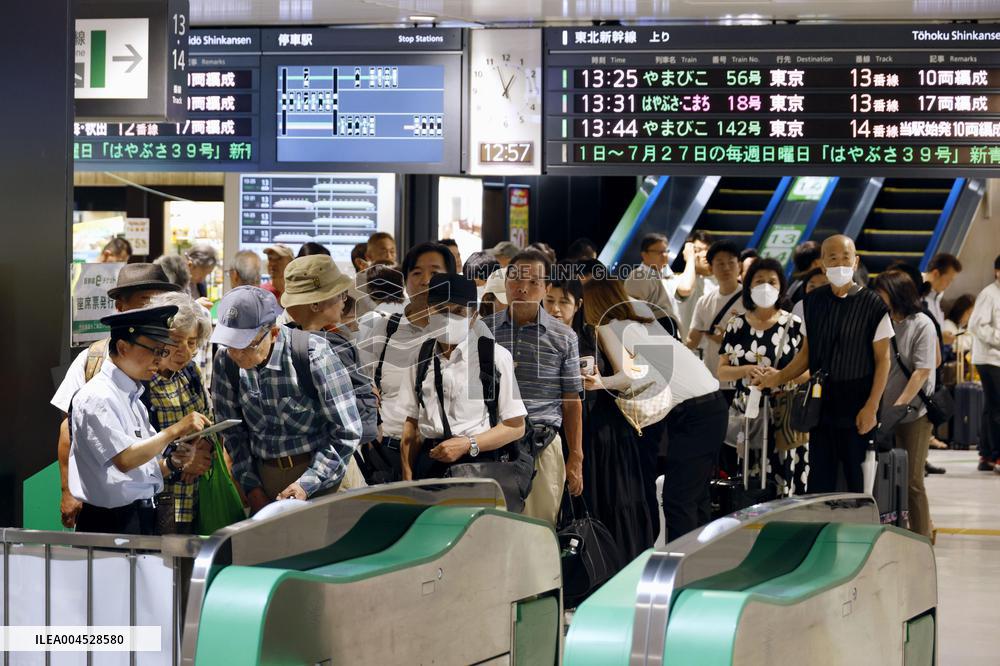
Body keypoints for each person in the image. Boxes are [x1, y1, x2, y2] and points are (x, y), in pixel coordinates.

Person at [583, 277, 727, 544]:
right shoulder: (641, 317)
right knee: (695, 497)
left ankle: (678, 570)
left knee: (678, 499)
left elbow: (626, 377)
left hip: (693, 413)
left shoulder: (607, 326)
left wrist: (599, 382)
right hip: (713, 404)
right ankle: (699, 562)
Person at [756, 235, 892, 493]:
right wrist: (778, 377)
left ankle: (860, 529)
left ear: (856, 262)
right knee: (821, 477)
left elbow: (883, 360)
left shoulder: (873, 305)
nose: (840, 263)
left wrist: (872, 407)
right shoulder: (810, 304)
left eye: (846, 257)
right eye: (833, 257)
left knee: (858, 478)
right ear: (822, 262)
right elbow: (806, 355)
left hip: (859, 400)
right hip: (821, 400)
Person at [51, 263, 182, 528]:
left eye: (160, 302)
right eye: (145, 302)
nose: (153, 310)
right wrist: (68, 490)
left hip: (160, 489)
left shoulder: (174, 356)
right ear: (120, 307)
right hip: (112, 502)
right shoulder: (95, 359)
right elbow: (69, 427)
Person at [211, 286, 362, 512]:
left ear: (273, 332)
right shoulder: (225, 361)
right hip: (266, 479)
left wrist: (306, 484)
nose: (237, 354)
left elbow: (346, 431)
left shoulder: (312, 354)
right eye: (230, 344)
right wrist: (252, 487)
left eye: (246, 345)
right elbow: (232, 434)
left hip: (325, 475)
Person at [69, 305, 212, 534]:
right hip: (111, 523)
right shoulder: (98, 396)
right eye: (155, 350)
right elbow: (125, 459)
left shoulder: (132, 396)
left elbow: (144, 469)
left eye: (163, 352)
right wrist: (175, 430)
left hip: (142, 516)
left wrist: (174, 462)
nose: (159, 360)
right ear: (123, 347)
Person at [400, 274, 528, 499]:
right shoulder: (418, 357)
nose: (449, 318)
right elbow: (411, 423)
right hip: (430, 464)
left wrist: (468, 444)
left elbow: (515, 426)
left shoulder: (494, 357)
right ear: (429, 310)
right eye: (441, 309)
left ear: (473, 316)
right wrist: (407, 478)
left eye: (458, 311)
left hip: (478, 466)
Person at [485, 250, 584, 526]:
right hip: (493, 445)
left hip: (544, 444)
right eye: (515, 278)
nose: (522, 288)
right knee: (494, 529)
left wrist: (576, 457)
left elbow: (571, 400)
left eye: (533, 281)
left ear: (546, 287)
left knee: (540, 530)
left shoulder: (564, 336)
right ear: (505, 283)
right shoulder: (483, 330)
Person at [357, 243, 462, 479]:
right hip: (386, 453)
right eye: (416, 273)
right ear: (405, 281)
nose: (425, 280)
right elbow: (360, 384)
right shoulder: (382, 328)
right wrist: (369, 426)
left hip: (444, 456)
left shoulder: (466, 334)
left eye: (435, 272)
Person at [576, 278, 655, 557]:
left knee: (612, 500)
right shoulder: (626, 327)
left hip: (607, 432)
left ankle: (616, 564)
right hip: (594, 431)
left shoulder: (602, 329)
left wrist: (601, 382)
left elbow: (629, 375)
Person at [282, 255, 376, 489]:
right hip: (333, 466)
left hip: (285, 468)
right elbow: (359, 424)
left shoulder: (274, 343)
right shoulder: (332, 347)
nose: (344, 301)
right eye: (339, 294)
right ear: (315, 304)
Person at [718, 258, 807, 496]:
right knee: (748, 479)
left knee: (785, 478)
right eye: (759, 281)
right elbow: (722, 371)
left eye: (772, 281)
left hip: (784, 416)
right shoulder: (736, 325)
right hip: (747, 414)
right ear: (748, 286)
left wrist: (782, 376)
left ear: (781, 287)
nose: (765, 286)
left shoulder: (794, 324)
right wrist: (746, 370)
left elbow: (808, 372)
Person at [139, 292, 216, 534]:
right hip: (155, 502)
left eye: (191, 343)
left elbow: (207, 417)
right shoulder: (141, 380)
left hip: (193, 498)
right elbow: (137, 447)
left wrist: (204, 448)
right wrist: (182, 462)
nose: (184, 352)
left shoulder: (190, 371)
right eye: (175, 342)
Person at [872, 270, 938, 538]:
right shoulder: (881, 321)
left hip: (914, 415)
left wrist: (899, 406)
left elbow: (922, 371)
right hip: (884, 412)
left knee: (912, 482)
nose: (877, 297)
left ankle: (923, 538)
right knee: (884, 478)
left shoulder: (922, 324)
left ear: (896, 292)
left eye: (882, 292)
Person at [688, 240, 745, 388]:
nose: (726, 268)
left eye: (731, 263)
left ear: (739, 266)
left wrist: (728, 340)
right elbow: (692, 341)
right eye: (720, 263)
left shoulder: (751, 299)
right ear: (711, 268)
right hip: (713, 379)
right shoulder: (704, 302)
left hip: (743, 380)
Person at [968, 254, 1000, 474]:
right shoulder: (989, 294)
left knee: (992, 407)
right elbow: (976, 325)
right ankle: (996, 455)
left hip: (995, 358)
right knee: (998, 408)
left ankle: (987, 455)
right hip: (989, 359)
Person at [624, 233, 681, 337]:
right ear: (644, 254)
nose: (664, 255)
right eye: (659, 252)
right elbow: (634, 312)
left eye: (666, 251)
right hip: (653, 337)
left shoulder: (664, 274)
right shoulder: (639, 276)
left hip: (668, 333)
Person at [673, 230, 716, 337]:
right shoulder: (681, 280)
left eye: (708, 249)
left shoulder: (722, 280)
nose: (705, 254)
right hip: (689, 348)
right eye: (698, 250)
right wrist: (690, 258)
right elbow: (686, 288)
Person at [922, 253, 963, 335]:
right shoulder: (913, 291)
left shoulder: (937, 294)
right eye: (948, 280)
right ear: (936, 274)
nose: (948, 285)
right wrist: (939, 338)